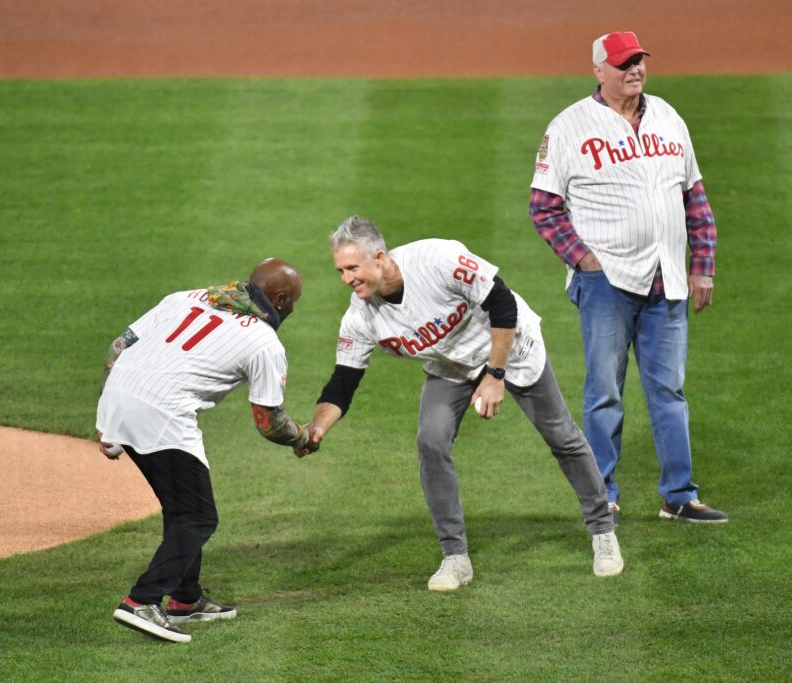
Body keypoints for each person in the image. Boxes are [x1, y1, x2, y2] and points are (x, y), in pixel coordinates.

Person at [295, 215, 622, 592]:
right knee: (431, 441)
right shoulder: (360, 317)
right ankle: (455, 557)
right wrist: (317, 428)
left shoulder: (437, 260)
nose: (346, 279)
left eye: (352, 268)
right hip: (452, 365)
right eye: (340, 270)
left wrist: (495, 376)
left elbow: (500, 301)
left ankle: (602, 530)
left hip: (509, 346)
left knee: (561, 435)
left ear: (380, 257)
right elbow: (343, 383)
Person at [528, 32, 728, 524]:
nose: (634, 70)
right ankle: (603, 497)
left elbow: (694, 198)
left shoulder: (668, 116)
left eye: (639, 61)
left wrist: (701, 265)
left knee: (670, 392)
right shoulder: (569, 126)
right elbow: (544, 208)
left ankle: (679, 496)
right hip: (606, 284)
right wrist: (585, 261)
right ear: (599, 70)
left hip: (668, 280)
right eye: (623, 64)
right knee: (605, 393)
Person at [96, 258, 310, 643]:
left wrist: (109, 412)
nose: (293, 309)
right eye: (293, 301)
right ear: (279, 299)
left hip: (119, 396)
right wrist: (302, 437)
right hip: (162, 412)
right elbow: (268, 421)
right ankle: (141, 601)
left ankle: (185, 599)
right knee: (198, 516)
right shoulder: (264, 342)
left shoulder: (187, 297)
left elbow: (118, 346)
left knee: (181, 507)